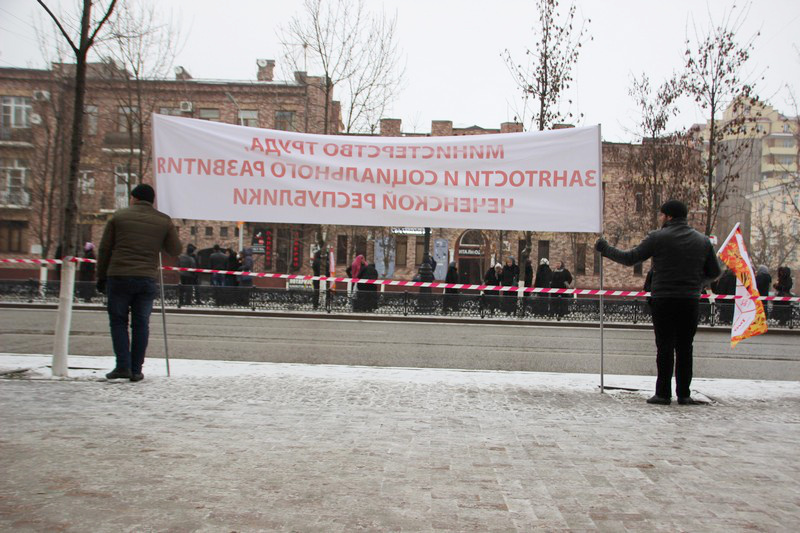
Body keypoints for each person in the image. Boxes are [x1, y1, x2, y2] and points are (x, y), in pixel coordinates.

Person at [595, 199, 721, 405]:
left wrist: (605, 248)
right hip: (689, 300)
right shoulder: (703, 241)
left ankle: (663, 394)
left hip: (663, 299)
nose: (660, 218)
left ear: (668, 216)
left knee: (664, 346)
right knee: (685, 347)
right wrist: (698, 284)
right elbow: (715, 272)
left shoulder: (658, 237)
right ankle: (684, 394)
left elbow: (630, 258)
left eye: (662, 215)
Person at [96, 184, 181, 382]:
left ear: (134, 198)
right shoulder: (163, 221)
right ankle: (136, 370)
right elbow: (175, 249)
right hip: (146, 278)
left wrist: (101, 277)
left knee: (118, 322)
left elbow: (104, 249)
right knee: (141, 324)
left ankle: (122, 366)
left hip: (119, 276)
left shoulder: (118, 217)